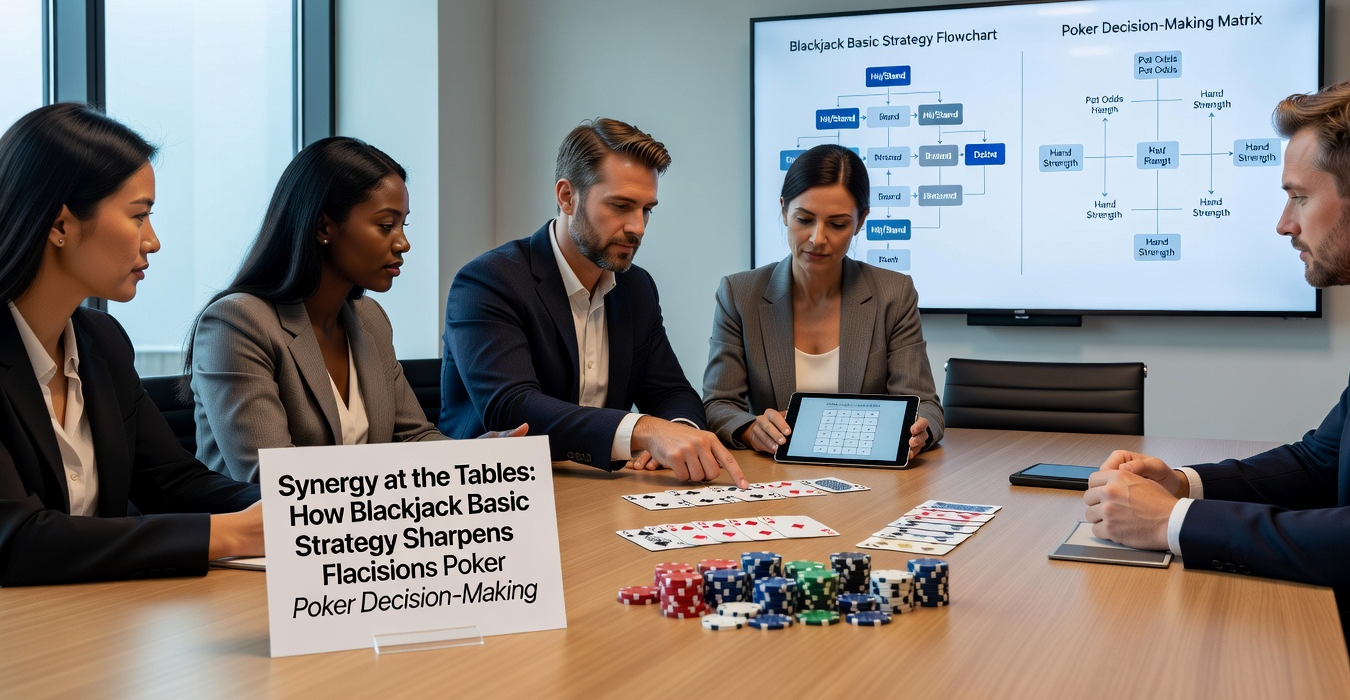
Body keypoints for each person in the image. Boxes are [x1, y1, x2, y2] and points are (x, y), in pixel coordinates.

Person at [1082, 71, 1350, 700]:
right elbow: (1322, 460)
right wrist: (1183, 483)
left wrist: (1172, 522)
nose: (1283, 224)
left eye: (1297, 197)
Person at [0, 103, 262, 585]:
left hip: (95, 628)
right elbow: (16, 541)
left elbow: (173, 482)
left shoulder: (103, 341)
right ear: (60, 225)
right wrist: (230, 534)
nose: (153, 241)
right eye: (139, 216)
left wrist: (297, 511)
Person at [186, 137, 525, 483]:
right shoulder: (237, 324)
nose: (403, 242)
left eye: (403, 225)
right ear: (324, 227)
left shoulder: (370, 320)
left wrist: (477, 455)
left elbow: (414, 439)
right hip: (264, 534)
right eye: (385, 225)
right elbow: (270, 478)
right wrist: (401, 476)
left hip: (365, 532)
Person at [440, 118, 747, 487]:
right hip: (496, 500)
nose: (638, 228)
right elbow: (511, 409)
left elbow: (672, 392)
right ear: (567, 197)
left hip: (596, 494)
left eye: (647, 209)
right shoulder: (488, 281)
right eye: (620, 206)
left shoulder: (637, 287)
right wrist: (644, 430)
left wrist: (676, 433)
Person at [703, 144, 943, 458]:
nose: (818, 238)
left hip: (870, 479)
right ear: (784, 211)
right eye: (804, 219)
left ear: (861, 221)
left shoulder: (894, 294)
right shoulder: (739, 294)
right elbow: (718, 404)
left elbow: (924, 404)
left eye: (838, 224)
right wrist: (750, 429)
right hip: (773, 477)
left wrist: (919, 433)